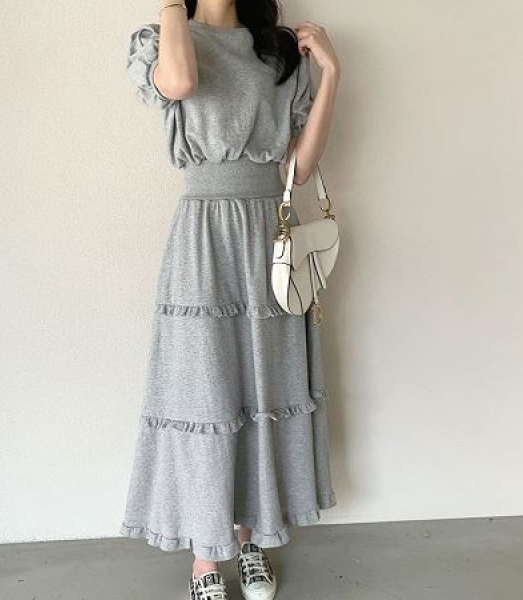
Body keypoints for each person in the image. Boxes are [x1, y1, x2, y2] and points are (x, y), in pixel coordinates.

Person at [120, 1, 341, 598]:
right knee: (205, 390)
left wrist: (332, 74)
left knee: (260, 386)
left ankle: (249, 539)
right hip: (203, 236)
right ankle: (204, 559)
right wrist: (173, 7)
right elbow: (179, 83)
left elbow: (298, 166)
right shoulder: (161, 37)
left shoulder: (276, 48)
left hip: (269, 234)